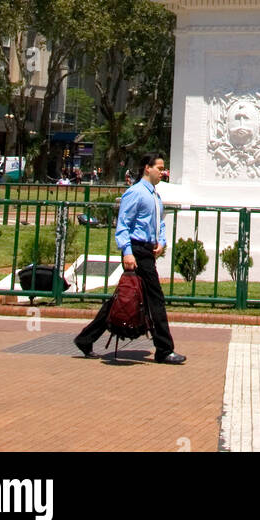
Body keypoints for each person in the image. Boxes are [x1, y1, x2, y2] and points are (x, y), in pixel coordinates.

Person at [74, 153, 185, 364]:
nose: (163, 172)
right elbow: (123, 224)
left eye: (163, 169)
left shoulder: (154, 195)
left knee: (124, 297)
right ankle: (164, 349)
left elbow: (159, 222)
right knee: (155, 299)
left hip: (148, 250)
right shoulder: (135, 193)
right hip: (136, 250)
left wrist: (161, 241)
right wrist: (127, 251)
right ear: (147, 168)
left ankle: (85, 338)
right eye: (159, 168)